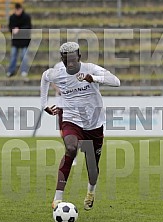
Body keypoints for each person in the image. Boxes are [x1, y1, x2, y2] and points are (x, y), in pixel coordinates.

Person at [40, 42, 120, 211]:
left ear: (79, 58)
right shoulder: (57, 73)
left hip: (94, 123)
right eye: (66, 61)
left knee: (92, 167)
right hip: (71, 119)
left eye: (73, 60)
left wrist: (94, 79)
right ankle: (57, 199)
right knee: (70, 148)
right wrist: (44, 104)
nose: (70, 64)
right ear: (61, 59)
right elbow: (44, 78)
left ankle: (91, 192)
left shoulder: (90, 69)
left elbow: (116, 81)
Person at [6, 3, 32, 78]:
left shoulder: (26, 17)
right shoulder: (12, 17)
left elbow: (28, 27)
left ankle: (24, 71)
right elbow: (10, 27)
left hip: (25, 40)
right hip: (15, 41)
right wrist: (13, 30)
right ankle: (11, 71)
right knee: (13, 56)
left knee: (24, 56)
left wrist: (19, 30)